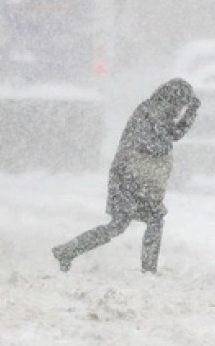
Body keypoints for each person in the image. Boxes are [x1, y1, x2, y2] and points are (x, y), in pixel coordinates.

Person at [53, 78, 200, 274]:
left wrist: (190, 114)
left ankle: (68, 251)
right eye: (182, 104)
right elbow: (160, 141)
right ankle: (68, 251)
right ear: (174, 100)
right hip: (129, 179)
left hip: (138, 179)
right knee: (127, 223)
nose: (181, 109)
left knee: (138, 221)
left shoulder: (155, 111)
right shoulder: (151, 112)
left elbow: (173, 135)